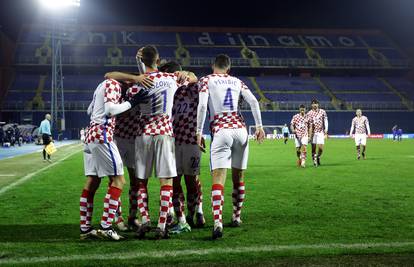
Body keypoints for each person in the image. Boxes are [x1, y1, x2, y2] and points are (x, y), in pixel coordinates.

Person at [105, 45, 197, 239]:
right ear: (158, 60)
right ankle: (162, 225)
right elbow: (194, 79)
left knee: (141, 182)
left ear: (142, 61)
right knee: (166, 181)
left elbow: (111, 76)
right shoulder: (171, 78)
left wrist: (136, 76)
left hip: (143, 133)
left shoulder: (137, 84)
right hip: (164, 133)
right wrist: (184, 72)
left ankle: (145, 220)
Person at [196, 54, 265, 239]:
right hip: (241, 131)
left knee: (218, 178)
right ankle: (236, 217)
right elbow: (253, 101)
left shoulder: (206, 80)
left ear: (213, 66)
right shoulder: (237, 81)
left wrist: (198, 132)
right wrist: (259, 126)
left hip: (221, 130)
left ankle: (218, 222)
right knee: (239, 177)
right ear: (229, 68)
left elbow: (202, 106)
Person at [79, 75, 150, 241]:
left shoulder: (100, 87)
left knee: (92, 181)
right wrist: (131, 103)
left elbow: (89, 110)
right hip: (102, 134)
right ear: (125, 82)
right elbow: (110, 110)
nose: (130, 92)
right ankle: (106, 227)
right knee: (119, 180)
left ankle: (85, 229)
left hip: (91, 134)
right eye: (131, 85)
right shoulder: (113, 84)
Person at [159, 61, 205, 234]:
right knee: (180, 182)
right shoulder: (170, 90)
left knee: (189, 181)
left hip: (187, 140)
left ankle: (196, 211)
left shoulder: (192, 89)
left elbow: (197, 81)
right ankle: (185, 216)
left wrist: (189, 74)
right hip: (175, 140)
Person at [307, 99, 328, 167]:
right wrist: (308, 134)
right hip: (313, 133)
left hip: (320, 132)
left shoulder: (322, 111)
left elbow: (325, 120)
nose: (314, 105)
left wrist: (326, 129)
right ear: (311, 105)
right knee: (313, 148)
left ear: (318, 104)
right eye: (313, 103)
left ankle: (318, 157)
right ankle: (314, 161)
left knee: (321, 148)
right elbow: (307, 124)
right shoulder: (309, 113)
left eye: (315, 103)